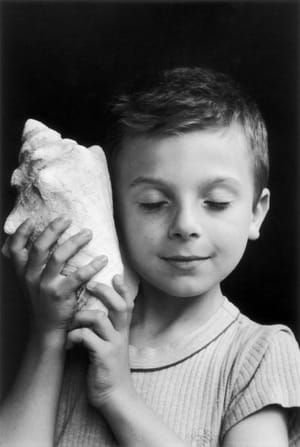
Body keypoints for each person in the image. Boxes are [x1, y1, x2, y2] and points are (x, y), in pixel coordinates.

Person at [1, 66, 300, 447]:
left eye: (216, 202)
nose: (185, 225)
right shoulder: (79, 338)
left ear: (256, 212)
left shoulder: (259, 354)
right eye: (154, 203)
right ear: (113, 210)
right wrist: (47, 335)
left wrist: (119, 397)